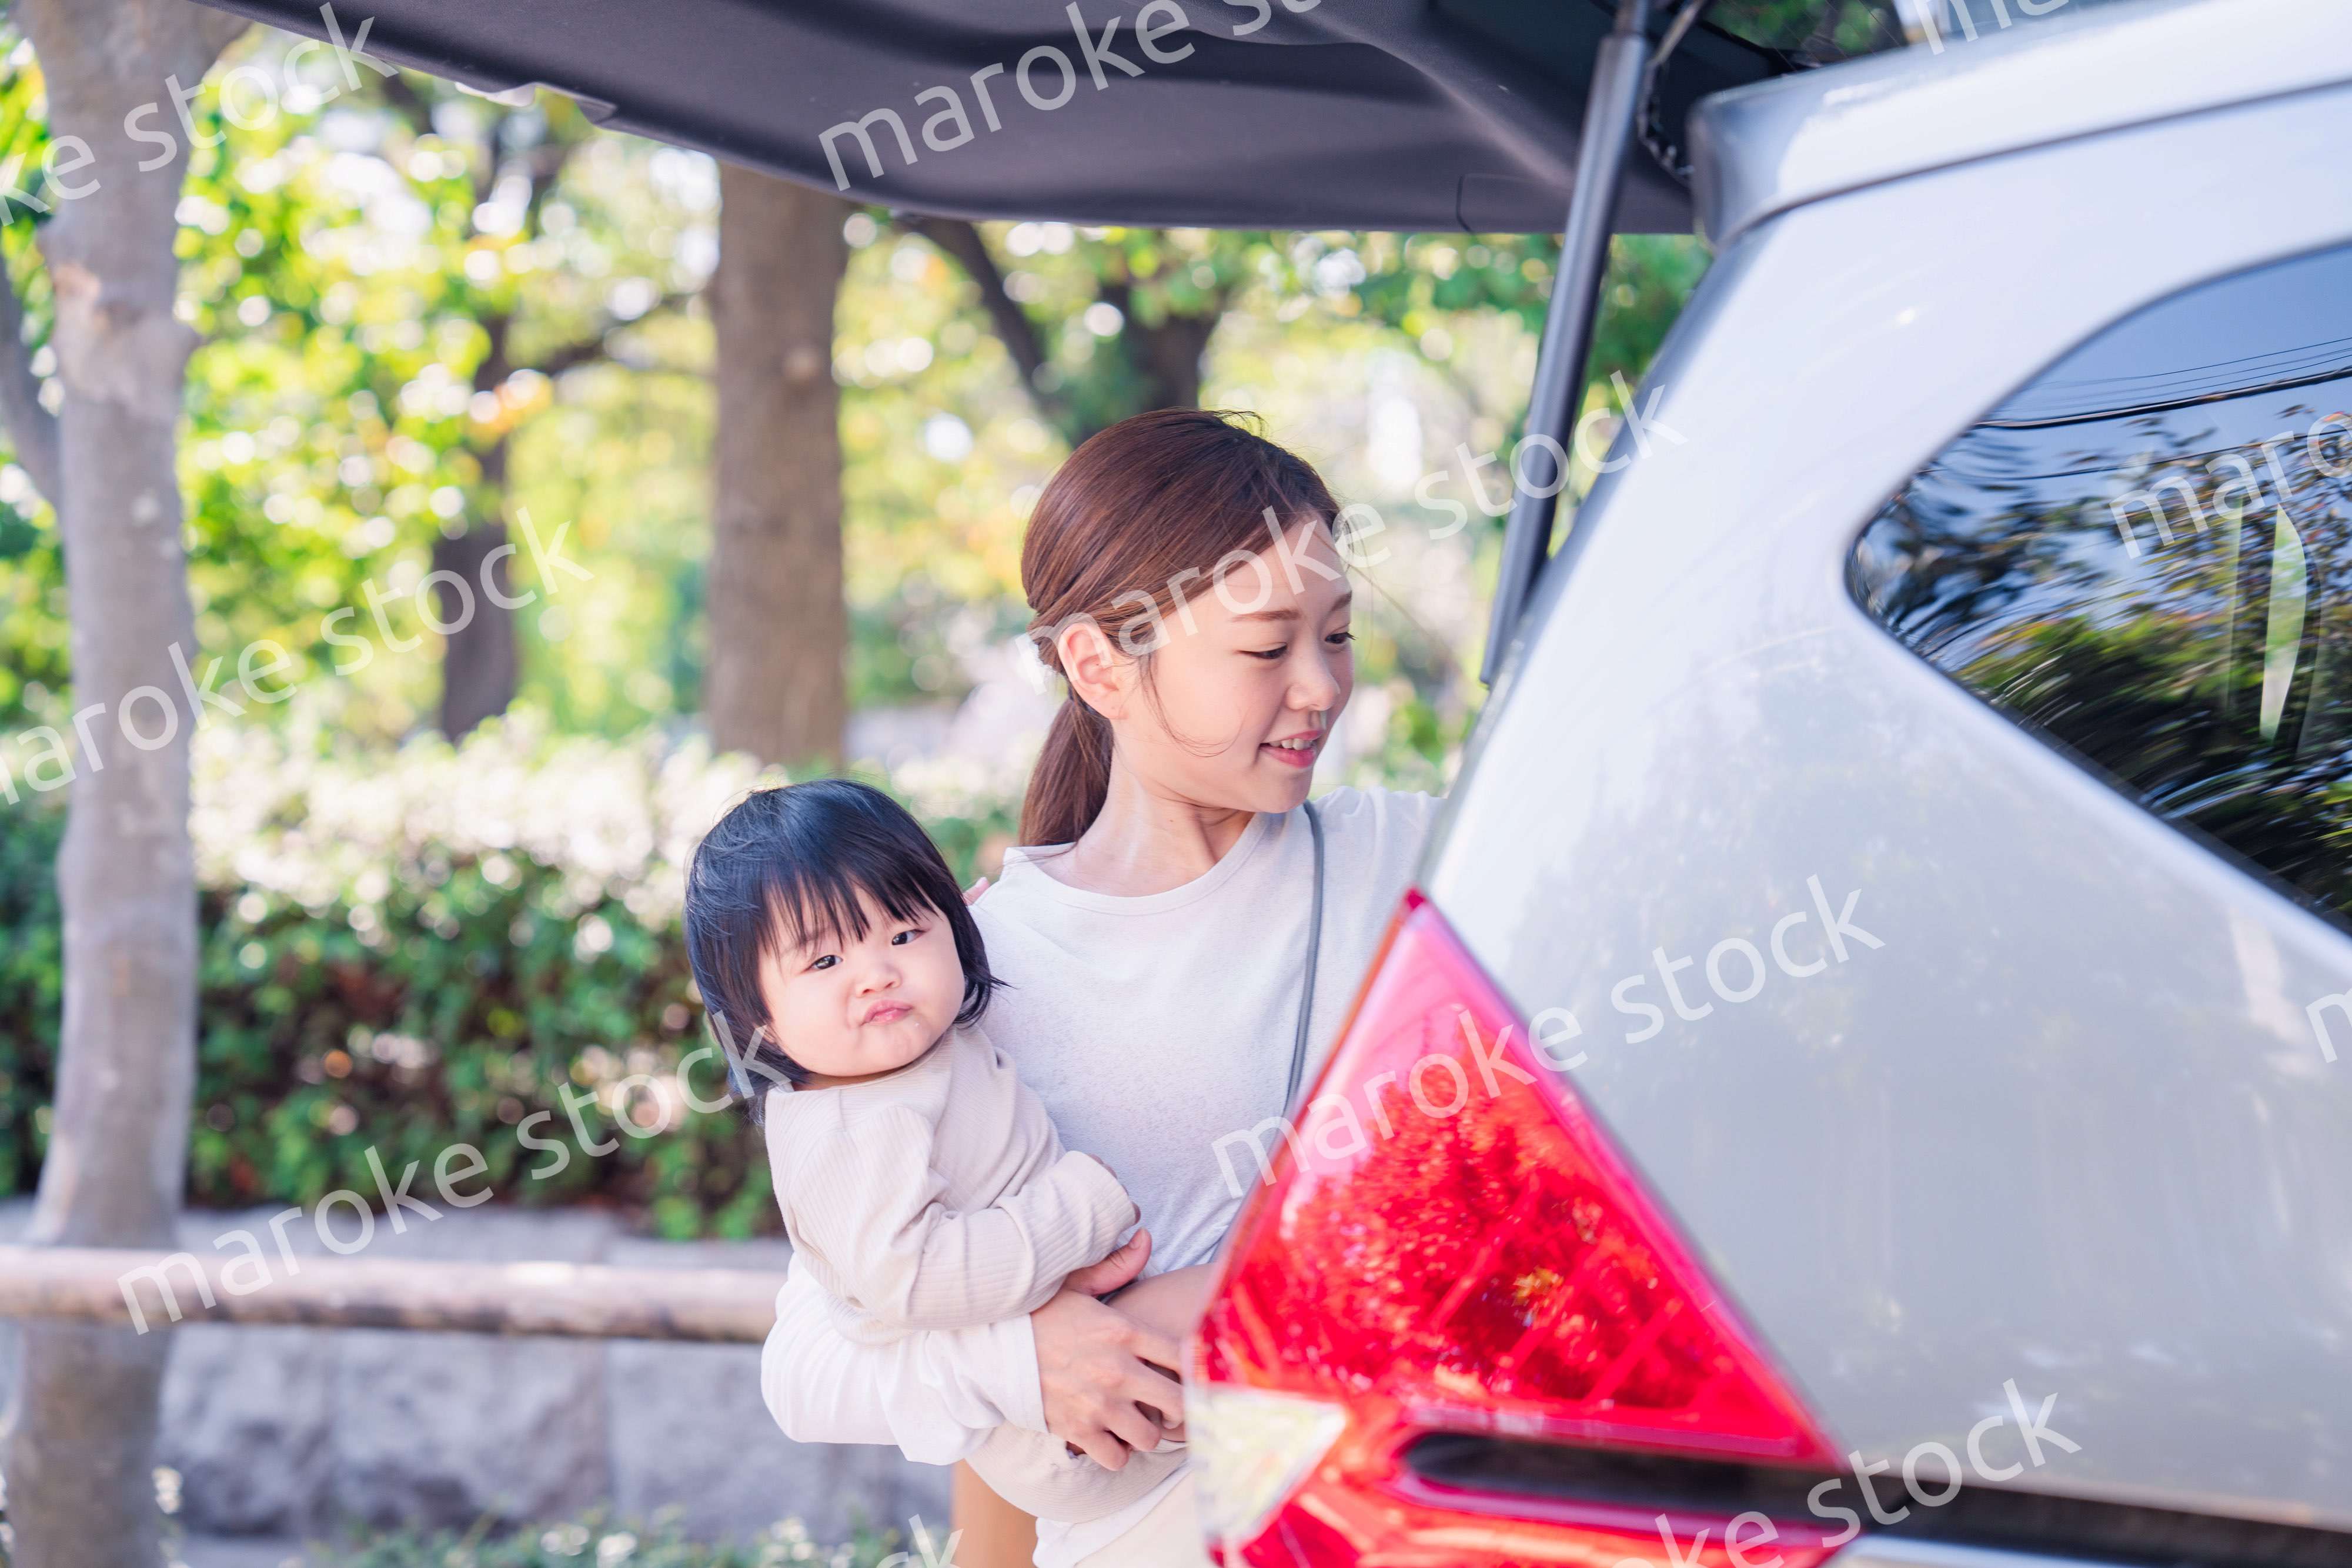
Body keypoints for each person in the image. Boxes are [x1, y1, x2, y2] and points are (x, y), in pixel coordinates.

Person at [761, 409, 1441, 1568]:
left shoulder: (1414, 861)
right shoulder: (962, 976)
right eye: (1266, 646)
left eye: (1337, 634)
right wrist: (1024, 1359)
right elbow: (809, 1361)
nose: (1320, 686)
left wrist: (1181, 1309)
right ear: (1095, 662)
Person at [683, 778, 1207, 1522]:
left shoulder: (890, 1055)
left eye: (901, 934)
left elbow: (929, 961)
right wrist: (1079, 1209)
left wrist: (959, 931)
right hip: (1054, 1418)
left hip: (1075, 1361)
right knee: (1261, 1292)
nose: (876, 974)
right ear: (753, 1019)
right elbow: (916, 1278)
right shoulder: (849, 1133)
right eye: (824, 963)